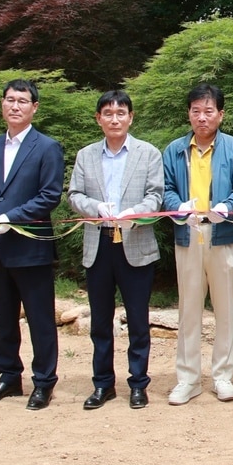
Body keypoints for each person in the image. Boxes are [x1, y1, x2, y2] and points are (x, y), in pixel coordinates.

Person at [0, 79, 66, 410]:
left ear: (34, 107)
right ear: (2, 104)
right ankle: (9, 376)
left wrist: (10, 217)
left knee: (40, 319)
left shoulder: (46, 147)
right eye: (10, 100)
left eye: (22, 101)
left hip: (31, 249)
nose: (15, 106)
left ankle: (44, 382)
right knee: (3, 319)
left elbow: (49, 195)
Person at [67, 91, 163, 411]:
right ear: (99, 119)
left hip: (135, 242)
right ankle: (103, 384)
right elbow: (74, 196)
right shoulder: (86, 155)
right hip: (99, 243)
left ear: (131, 117)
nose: (114, 118)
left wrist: (134, 214)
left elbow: (155, 197)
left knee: (138, 319)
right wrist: (94, 207)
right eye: (107, 113)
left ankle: (138, 384)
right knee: (100, 321)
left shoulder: (147, 154)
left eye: (121, 112)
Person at [161, 83, 233, 405]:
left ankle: (223, 375)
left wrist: (226, 207)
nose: (202, 117)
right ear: (189, 114)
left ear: (221, 115)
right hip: (188, 233)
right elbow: (166, 189)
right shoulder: (174, 150)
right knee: (188, 309)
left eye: (209, 111)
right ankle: (188, 379)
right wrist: (178, 205)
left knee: (226, 308)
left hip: (223, 234)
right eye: (196, 111)